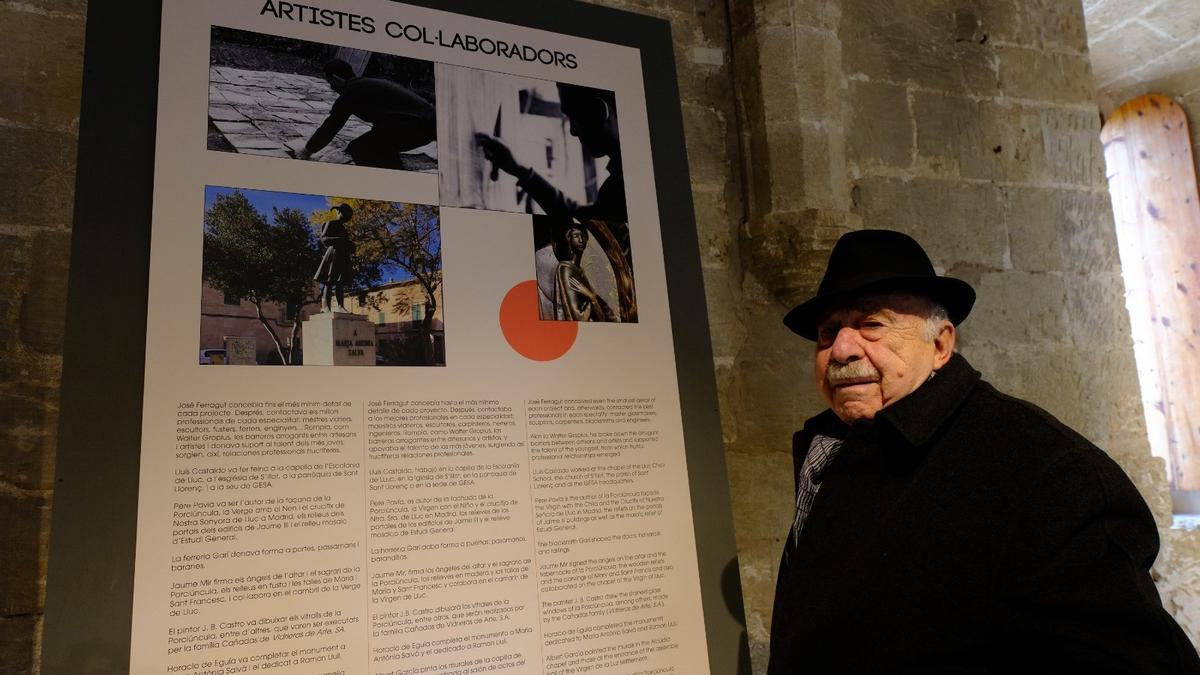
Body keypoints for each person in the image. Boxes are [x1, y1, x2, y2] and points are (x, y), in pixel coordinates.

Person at [769, 229, 1200, 673]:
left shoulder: (1043, 471)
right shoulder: (829, 450)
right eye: (827, 333)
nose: (841, 349)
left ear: (940, 346)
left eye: (871, 325)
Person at [474, 83, 629, 227]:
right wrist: (520, 170)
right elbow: (580, 218)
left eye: (575, 117)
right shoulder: (620, 184)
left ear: (598, 111)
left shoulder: (620, 189)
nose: (573, 131)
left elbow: (582, 224)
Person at [296, 59, 435, 169]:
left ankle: (391, 179)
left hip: (421, 127)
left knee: (361, 149)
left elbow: (331, 126)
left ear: (336, 79)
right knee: (367, 145)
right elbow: (386, 118)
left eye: (330, 83)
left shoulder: (351, 92)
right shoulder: (365, 85)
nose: (331, 88)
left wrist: (308, 149)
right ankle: (393, 166)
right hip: (423, 123)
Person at [553, 225, 613, 322]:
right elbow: (579, 317)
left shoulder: (580, 271)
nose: (581, 240)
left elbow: (601, 317)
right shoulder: (566, 270)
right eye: (576, 236)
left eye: (583, 236)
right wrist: (592, 299)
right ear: (569, 239)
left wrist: (593, 298)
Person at [313, 203, 355, 313]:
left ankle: (340, 306)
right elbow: (324, 239)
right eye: (347, 215)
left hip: (343, 256)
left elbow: (345, 243)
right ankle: (326, 307)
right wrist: (341, 240)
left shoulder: (343, 229)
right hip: (333, 254)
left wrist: (350, 246)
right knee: (329, 281)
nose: (348, 218)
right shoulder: (330, 223)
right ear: (340, 212)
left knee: (340, 282)